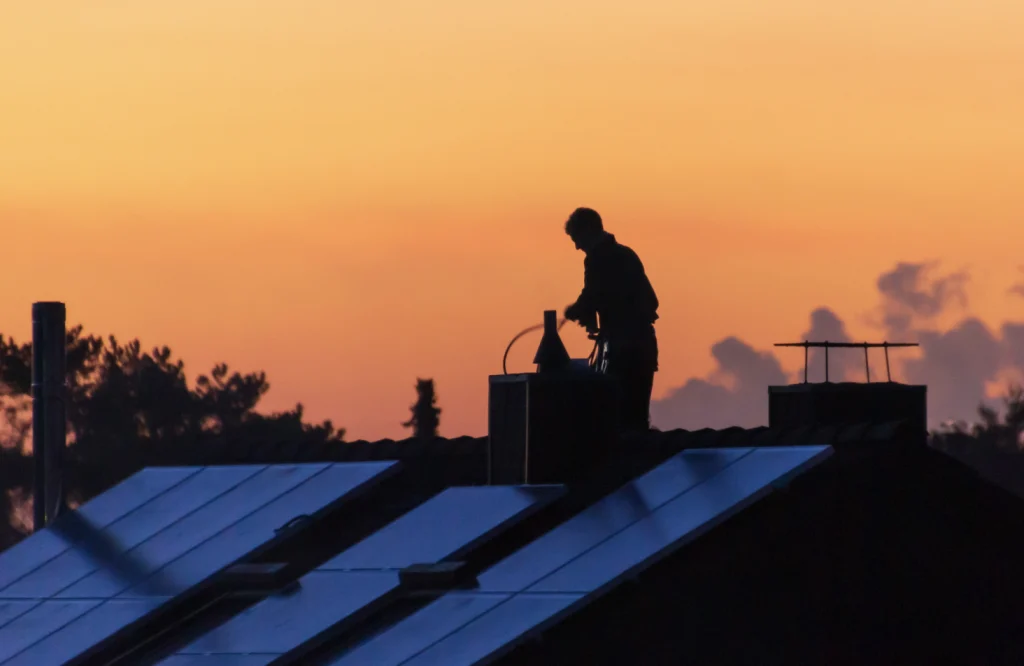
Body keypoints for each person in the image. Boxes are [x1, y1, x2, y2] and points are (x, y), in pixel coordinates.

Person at [562, 207, 659, 432]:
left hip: (621, 349)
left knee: (616, 415)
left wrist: (576, 310)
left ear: (588, 231)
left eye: (577, 239)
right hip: (644, 343)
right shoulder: (626, 254)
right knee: (637, 415)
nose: (577, 247)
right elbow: (650, 300)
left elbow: (592, 295)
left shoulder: (597, 259)